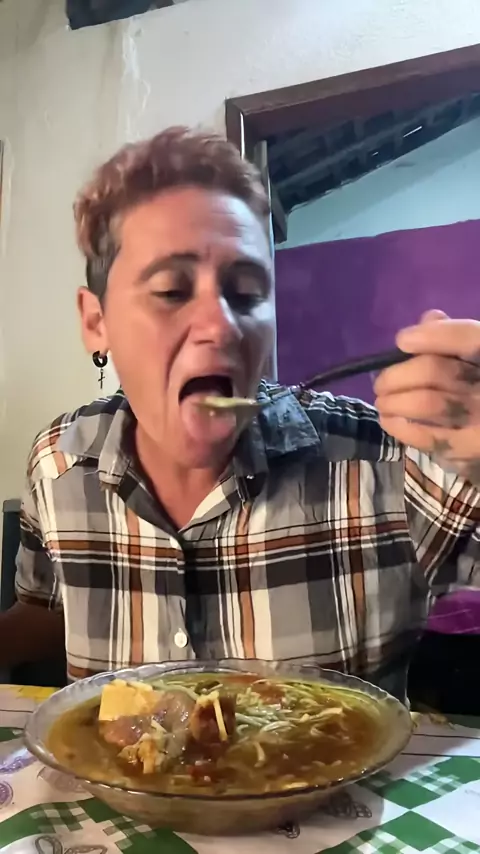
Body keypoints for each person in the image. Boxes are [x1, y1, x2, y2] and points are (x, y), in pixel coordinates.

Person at [1, 127, 479, 699]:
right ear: (95, 321)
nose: (222, 325)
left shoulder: (390, 465)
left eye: (248, 293)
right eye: (172, 290)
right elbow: (48, 612)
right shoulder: (57, 463)